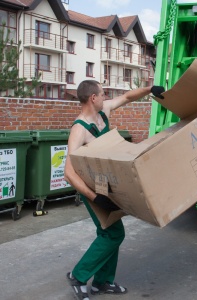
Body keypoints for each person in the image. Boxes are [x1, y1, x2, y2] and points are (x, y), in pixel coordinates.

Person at [64, 80, 164, 300]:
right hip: (91, 190)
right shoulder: (79, 130)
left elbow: (128, 97)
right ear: (93, 98)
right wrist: (95, 198)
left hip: (105, 184)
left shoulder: (104, 112)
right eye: (102, 93)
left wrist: (150, 90)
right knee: (114, 233)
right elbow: (69, 173)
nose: (105, 96)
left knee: (108, 232)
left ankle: (102, 282)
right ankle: (79, 276)